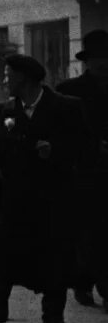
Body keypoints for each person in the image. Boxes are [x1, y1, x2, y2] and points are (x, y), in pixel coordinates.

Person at [0, 53, 92, 323]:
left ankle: (53, 318)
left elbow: (87, 148)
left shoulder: (67, 108)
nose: (3, 79)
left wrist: (57, 151)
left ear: (23, 78)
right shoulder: (3, 112)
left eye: (7, 74)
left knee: (56, 259)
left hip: (53, 200)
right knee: (3, 252)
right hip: (14, 201)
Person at [58, 31, 108, 308]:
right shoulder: (70, 90)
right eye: (97, 58)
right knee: (85, 232)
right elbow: (59, 130)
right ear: (87, 61)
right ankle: (83, 283)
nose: (103, 63)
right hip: (83, 173)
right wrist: (89, 146)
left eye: (107, 57)